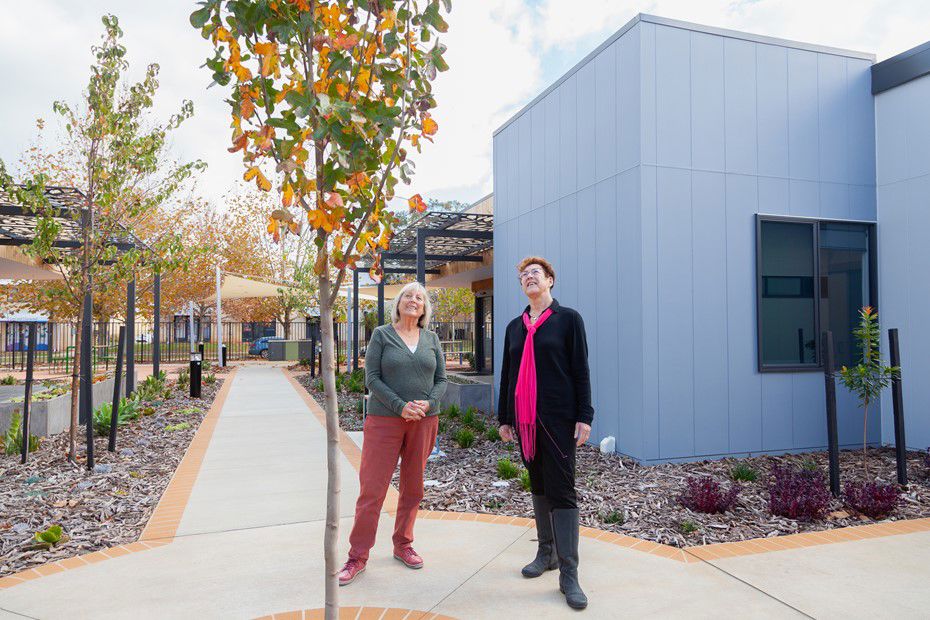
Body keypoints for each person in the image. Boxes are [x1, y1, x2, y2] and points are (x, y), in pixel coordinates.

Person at [498, 256, 593, 610]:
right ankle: (546, 552)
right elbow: (508, 375)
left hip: (559, 419)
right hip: (525, 422)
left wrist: (585, 415)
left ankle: (569, 573)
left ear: (550, 280)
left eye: (535, 273)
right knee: (538, 485)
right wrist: (504, 418)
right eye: (524, 276)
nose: (529, 278)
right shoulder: (514, 327)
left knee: (562, 490)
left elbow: (580, 369)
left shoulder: (568, 320)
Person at [337, 281, 447, 586]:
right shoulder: (382, 335)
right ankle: (357, 555)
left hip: (424, 420)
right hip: (385, 420)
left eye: (420, 298)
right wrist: (400, 406)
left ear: (424, 308)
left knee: (413, 488)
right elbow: (371, 378)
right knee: (372, 490)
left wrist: (429, 402)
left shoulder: (431, 339)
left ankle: (403, 544)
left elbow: (441, 379)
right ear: (398, 303)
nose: (414, 300)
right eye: (408, 296)